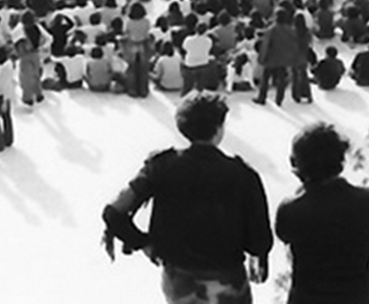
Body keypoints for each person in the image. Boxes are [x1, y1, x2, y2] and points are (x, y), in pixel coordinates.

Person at [102, 92, 273, 304]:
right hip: (227, 283)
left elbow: (113, 212)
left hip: (179, 282)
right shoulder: (243, 175)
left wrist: (144, 244)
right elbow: (259, 242)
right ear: (219, 128)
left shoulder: (160, 166)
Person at [275, 123, 369, 304]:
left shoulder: (292, 210)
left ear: (298, 164)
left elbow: (284, 234)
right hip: (356, 297)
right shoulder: (368, 200)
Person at [0, 45, 16, 151]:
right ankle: (8, 139)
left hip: (1, 96)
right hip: (5, 95)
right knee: (6, 117)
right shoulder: (6, 66)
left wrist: (5, 101)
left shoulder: (5, 69)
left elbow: (6, 85)